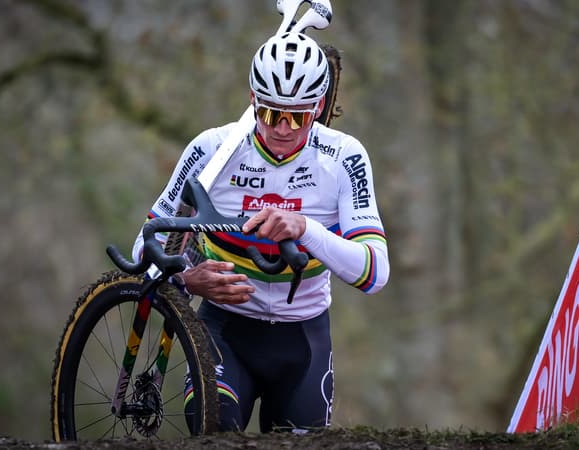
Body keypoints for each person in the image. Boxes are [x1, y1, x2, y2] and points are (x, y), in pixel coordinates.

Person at [132, 31, 390, 433]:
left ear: (320, 107)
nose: (283, 128)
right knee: (215, 431)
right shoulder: (211, 150)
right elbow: (143, 247)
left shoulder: (344, 157)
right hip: (225, 330)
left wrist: (306, 228)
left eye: (299, 116)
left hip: (304, 339)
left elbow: (375, 273)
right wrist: (186, 278)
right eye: (270, 113)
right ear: (253, 101)